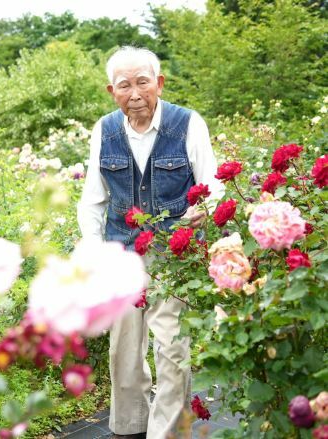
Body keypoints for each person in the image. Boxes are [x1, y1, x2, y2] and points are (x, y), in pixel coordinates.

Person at [77, 46, 224, 439]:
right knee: (123, 351)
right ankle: (129, 427)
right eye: (125, 85)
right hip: (122, 254)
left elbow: (212, 185)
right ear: (112, 90)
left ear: (159, 83)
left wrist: (198, 218)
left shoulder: (188, 124)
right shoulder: (104, 129)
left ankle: (168, 433)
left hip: (174, 253)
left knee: (172, 348)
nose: (135, 93)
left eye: (143, 82)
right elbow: (93, 198)